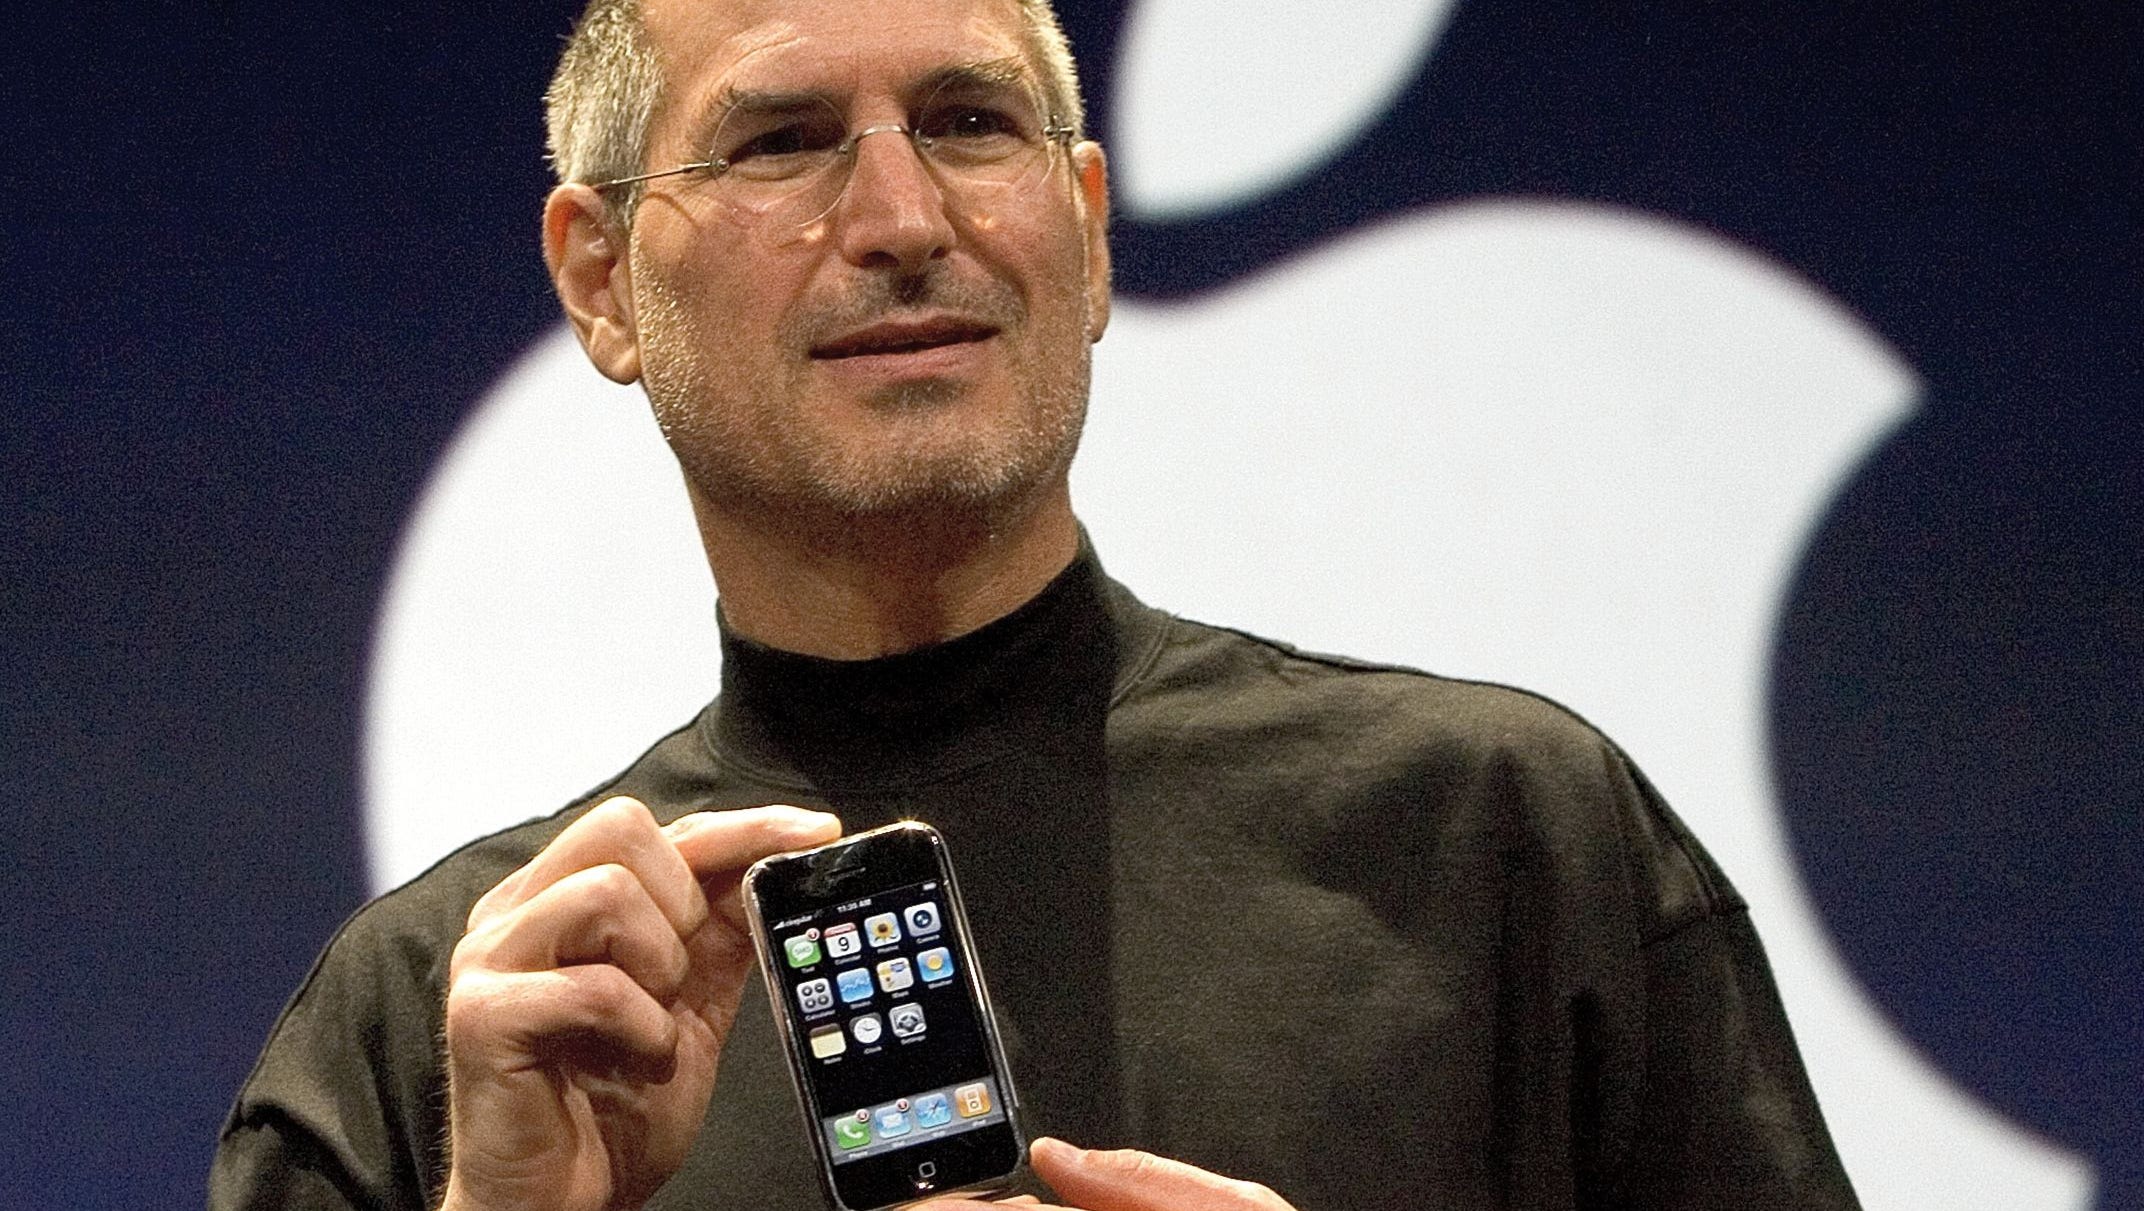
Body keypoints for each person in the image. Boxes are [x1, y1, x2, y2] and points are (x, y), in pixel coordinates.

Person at [211, 0, 1861, 1208]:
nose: (903, 221)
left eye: (970, 123)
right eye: (782, 141)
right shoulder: (459, 1026)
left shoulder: (1501, 838)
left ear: (1086, 231)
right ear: (602, 278)